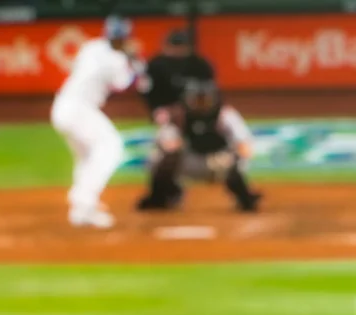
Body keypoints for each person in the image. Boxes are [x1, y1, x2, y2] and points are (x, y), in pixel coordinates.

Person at [50, 15, 140, 228]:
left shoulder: (92, 47)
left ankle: (80, 210)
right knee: (112, 147)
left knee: (87, 156)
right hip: (80, 109)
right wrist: (135, 63)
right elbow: (125, 84)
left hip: (63, 106)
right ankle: (85, 201)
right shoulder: (116, 60)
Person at [135, 68, 263, 212]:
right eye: (197, 98)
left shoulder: (225, 115)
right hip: (190, 161)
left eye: (204, 98)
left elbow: (244, 142)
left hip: (218, 161)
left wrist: (237, 155)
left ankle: (244, 195)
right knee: (157, 158)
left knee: (238, 157)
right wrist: (174, 144)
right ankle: (163, 196)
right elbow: (166, 141)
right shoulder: (178, 116)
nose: (200, 103)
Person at [136, 28, 215, 125]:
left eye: (182, 47)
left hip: (195, 109)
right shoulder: (156, 65)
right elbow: (145, 90)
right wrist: (155, 110)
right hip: (165, 108)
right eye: (175, 46)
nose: (178, 51)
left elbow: (210, 90)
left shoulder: (199, 64)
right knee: (163, 119)